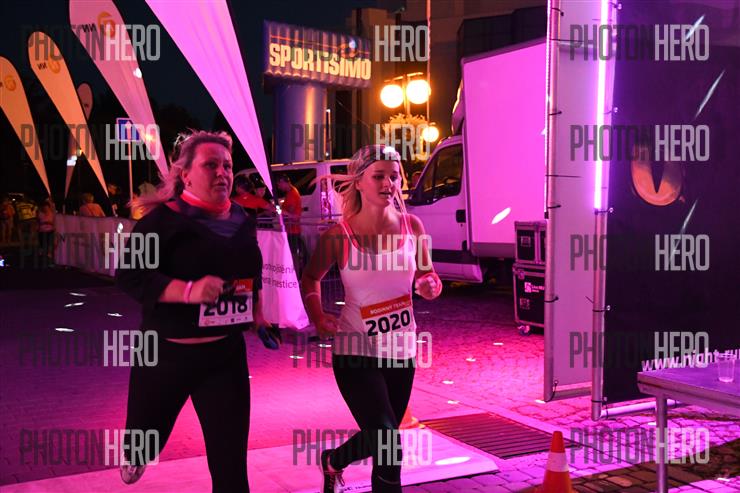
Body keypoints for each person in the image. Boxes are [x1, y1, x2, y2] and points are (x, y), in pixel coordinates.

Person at [115, 130, 270, 492]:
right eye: (211, 165)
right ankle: (138, 452)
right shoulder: (160, 222)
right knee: (145, 437)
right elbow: (129, 276)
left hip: (224, 358)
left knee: (231, 467)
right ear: (185, 174)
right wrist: (189, 291)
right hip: (165, 357)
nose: (222, 173)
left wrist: (257, 313)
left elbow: (252, 273)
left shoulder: (242, 220)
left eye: (227, 166)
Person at [301, 145, 442, 492]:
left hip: (401, 350)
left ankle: (333, 460)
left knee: (383, 438)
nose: (387, 184)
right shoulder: (339, 236)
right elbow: (311, 278)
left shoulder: (413, 226)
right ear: (359, 182)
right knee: (387, 439)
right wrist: (319, 316)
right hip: (356, 351)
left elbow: (428, 275)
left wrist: (430, 285)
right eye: (378, 176)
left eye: (394, 176)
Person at [37, 199, 56, 266]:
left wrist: (50, 223)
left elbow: (54, 222)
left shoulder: (52, 213)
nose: (45, 208)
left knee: (49, 243)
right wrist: (38, 227)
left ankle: (49, 253)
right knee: (41, 243)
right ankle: (41, 252)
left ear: (49, 207)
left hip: (50, 230)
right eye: (44, 207)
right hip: (42, 230)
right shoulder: (40, 213)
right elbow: (38, 221)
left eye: (46, 207)